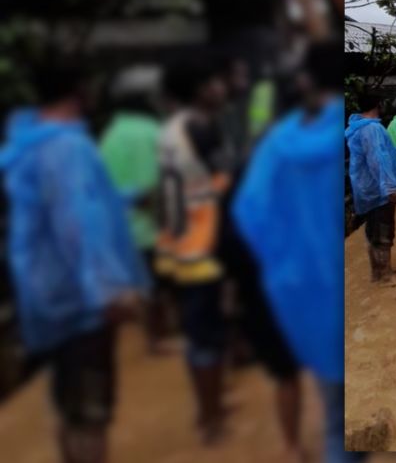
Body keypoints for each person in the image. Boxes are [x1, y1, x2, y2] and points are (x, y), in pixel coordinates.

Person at [1, 62, 148, 463]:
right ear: (79, 92)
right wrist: (109, 290)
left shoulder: (26, 143)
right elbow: (79, 222)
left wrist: (126, 198)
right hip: (82, 300)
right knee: (90, 413)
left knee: (70, 406)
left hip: (46, 296)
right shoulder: (70, 147)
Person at [233, 41, 365, 463]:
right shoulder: (346, 136)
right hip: (350, 294)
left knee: (335, 418)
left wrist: (286, 267)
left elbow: (249, 215)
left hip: (299, 293)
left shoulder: (276, 144)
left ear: (306, 82)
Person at [158, 62, 234, 445]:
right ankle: (210, 415)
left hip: (181, 244)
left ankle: (211, 407)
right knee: (207, 332)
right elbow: (225, 183)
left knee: (201, 330)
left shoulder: (172, 129)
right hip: (204, 245)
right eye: (214, 82)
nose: (220, 88)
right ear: (199, 88)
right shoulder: (199, 128)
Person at [98, 83, 168, 355]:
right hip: (149, 221)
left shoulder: (109, 135)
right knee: (156, 284)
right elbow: (154, 182)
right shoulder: (151, 130)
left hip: (118, 224)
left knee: (142, 283)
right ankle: (157, 337)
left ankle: (152, 335)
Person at [346, 93, 396, 280]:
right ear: (378, 105)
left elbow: (378, 153)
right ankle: (385, 273)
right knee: (383, 229)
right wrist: (390, 188)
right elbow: (377, 159)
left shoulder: (357, 127)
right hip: (378, 188)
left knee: (372, 230)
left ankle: (377, 272)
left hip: (365, 187)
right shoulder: (372, 129)